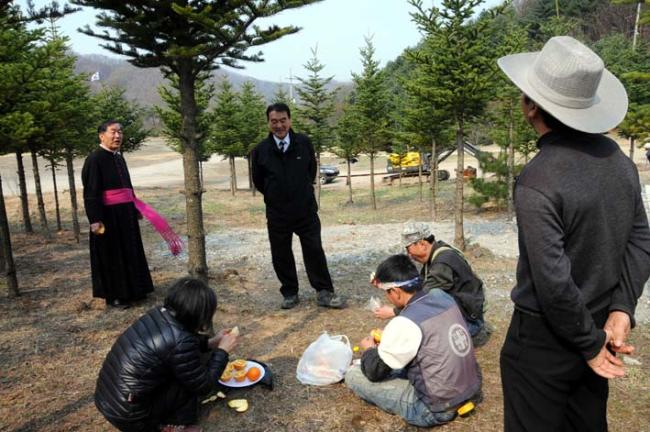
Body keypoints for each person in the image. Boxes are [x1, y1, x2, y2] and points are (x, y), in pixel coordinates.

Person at [497, 36, 650, 431]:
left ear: (531, 106)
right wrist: (621, 308)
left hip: (545, 338)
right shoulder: (619, 162)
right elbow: (640, 241)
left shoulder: (538, 179)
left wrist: (589, 342)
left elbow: (553, 281)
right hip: (598, 324)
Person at [345, 255, 482, 428]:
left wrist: (369, 350)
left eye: (387, 292)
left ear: (396, 292)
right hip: (470, 389)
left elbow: (374, 372)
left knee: (353, 375)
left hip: (435, 407)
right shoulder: (442, 297)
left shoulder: (406, 322)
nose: (388, 297)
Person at [95, 277, 239, 432]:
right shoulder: (180, 341)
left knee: (190, 367)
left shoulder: (160, 314)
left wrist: (210, 343)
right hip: (132, 416)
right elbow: (204, 386)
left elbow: (177, 345)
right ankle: (175, 426)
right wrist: (222, 351)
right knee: (189, 380)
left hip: (109, 400)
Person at [250, 103, 343, 310]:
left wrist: (300, 191)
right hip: (277, 213)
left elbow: (311, 171)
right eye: (274, 121)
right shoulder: (260, 151)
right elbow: (258, 180)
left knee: (314, 250)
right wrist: (275, 196)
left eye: (283, 120)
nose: (279, 125)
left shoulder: (304, 143)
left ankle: (324, 291)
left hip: (305, 210)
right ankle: (290, 292)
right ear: (268, 123)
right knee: (281, 253)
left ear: (290, 120)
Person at [82, 120, 182, 309]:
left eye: (120, 132)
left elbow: (127, 187)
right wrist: (94, 219)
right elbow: (91, 192)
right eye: (113, 132)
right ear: (101, 135)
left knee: (130, 250)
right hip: (108, 216)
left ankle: (136, 290)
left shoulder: (119, 158)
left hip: (126, 213)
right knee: (113, 254)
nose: (118, 136)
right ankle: (116, 296)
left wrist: (135, 207)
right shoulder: (94, 159)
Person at [374, 221, 489, 346]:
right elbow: (418, 284)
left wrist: (394, 311)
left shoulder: (442, 262)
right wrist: (387, 282)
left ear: (422, 244)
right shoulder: (437, 253)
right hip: (461, 315)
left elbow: (421, 298)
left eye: (408, 249)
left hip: (469, 323)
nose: (409, 255)